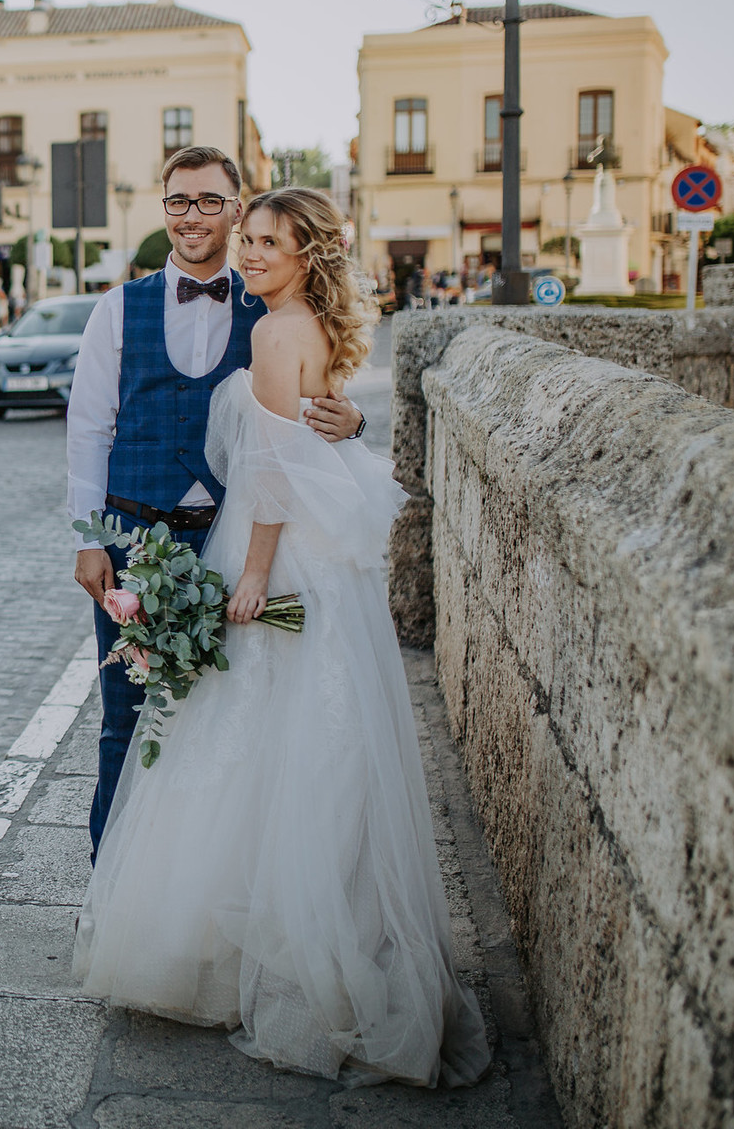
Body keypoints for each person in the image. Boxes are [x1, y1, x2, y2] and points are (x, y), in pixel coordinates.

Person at [74, 186, 489, 1089]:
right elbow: (310, 433)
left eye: (269, 241)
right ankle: (326, 926)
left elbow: (269, 472)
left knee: (254, 741)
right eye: (249, 239)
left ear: (309, 254)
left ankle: (253, 952)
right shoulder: (309, 324)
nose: (251, 253)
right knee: (318, 748)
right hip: (329, 572)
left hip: (283, 558)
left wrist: (254, 575)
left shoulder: (269, 330)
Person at [66, 146, 364, 862]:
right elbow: (89, 427)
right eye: (178, 201)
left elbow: (316, 401)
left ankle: (199, 877)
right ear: (162, 208)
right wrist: (84, 541)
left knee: (228, 719)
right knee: (125, 718)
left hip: (232, 544)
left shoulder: (270, 306)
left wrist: (353, 421)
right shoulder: (117, 308)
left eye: (208, 201)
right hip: (134, 541)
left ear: (237, 208)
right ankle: (110, 879)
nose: (192, 215)